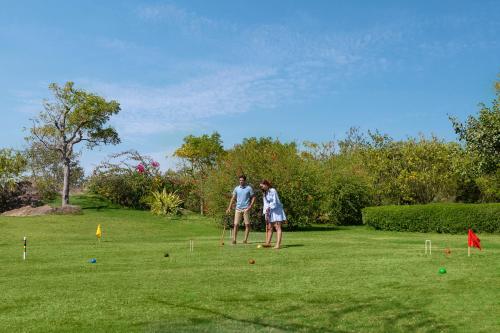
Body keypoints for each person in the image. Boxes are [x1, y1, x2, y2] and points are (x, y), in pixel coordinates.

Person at [226, 175, 256, 244]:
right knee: (236, 224)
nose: (241, 181)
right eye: (240, 180)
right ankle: (234, 240)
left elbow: (254, 197)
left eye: (242, 180)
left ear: (245, 181)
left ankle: (245, 240)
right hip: (238, 209)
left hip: (246, 209)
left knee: (247, 224)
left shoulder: (249, 188)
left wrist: (250, 206)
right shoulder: (236, 188)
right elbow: (233, 198)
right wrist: (229, 208)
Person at [260, 180, 286, 249]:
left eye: (262, 186)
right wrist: (265, 213)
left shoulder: (273, 190)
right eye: (261, 187)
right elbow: (265, 204)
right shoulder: (264, 193)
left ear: (266, 185)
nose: (261, 188)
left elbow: (275, 201)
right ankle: (268, 243)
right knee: (270, 227)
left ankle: (278, 245)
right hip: (270, 211)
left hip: (277, 211)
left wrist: (269, 207)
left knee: (277, 227)